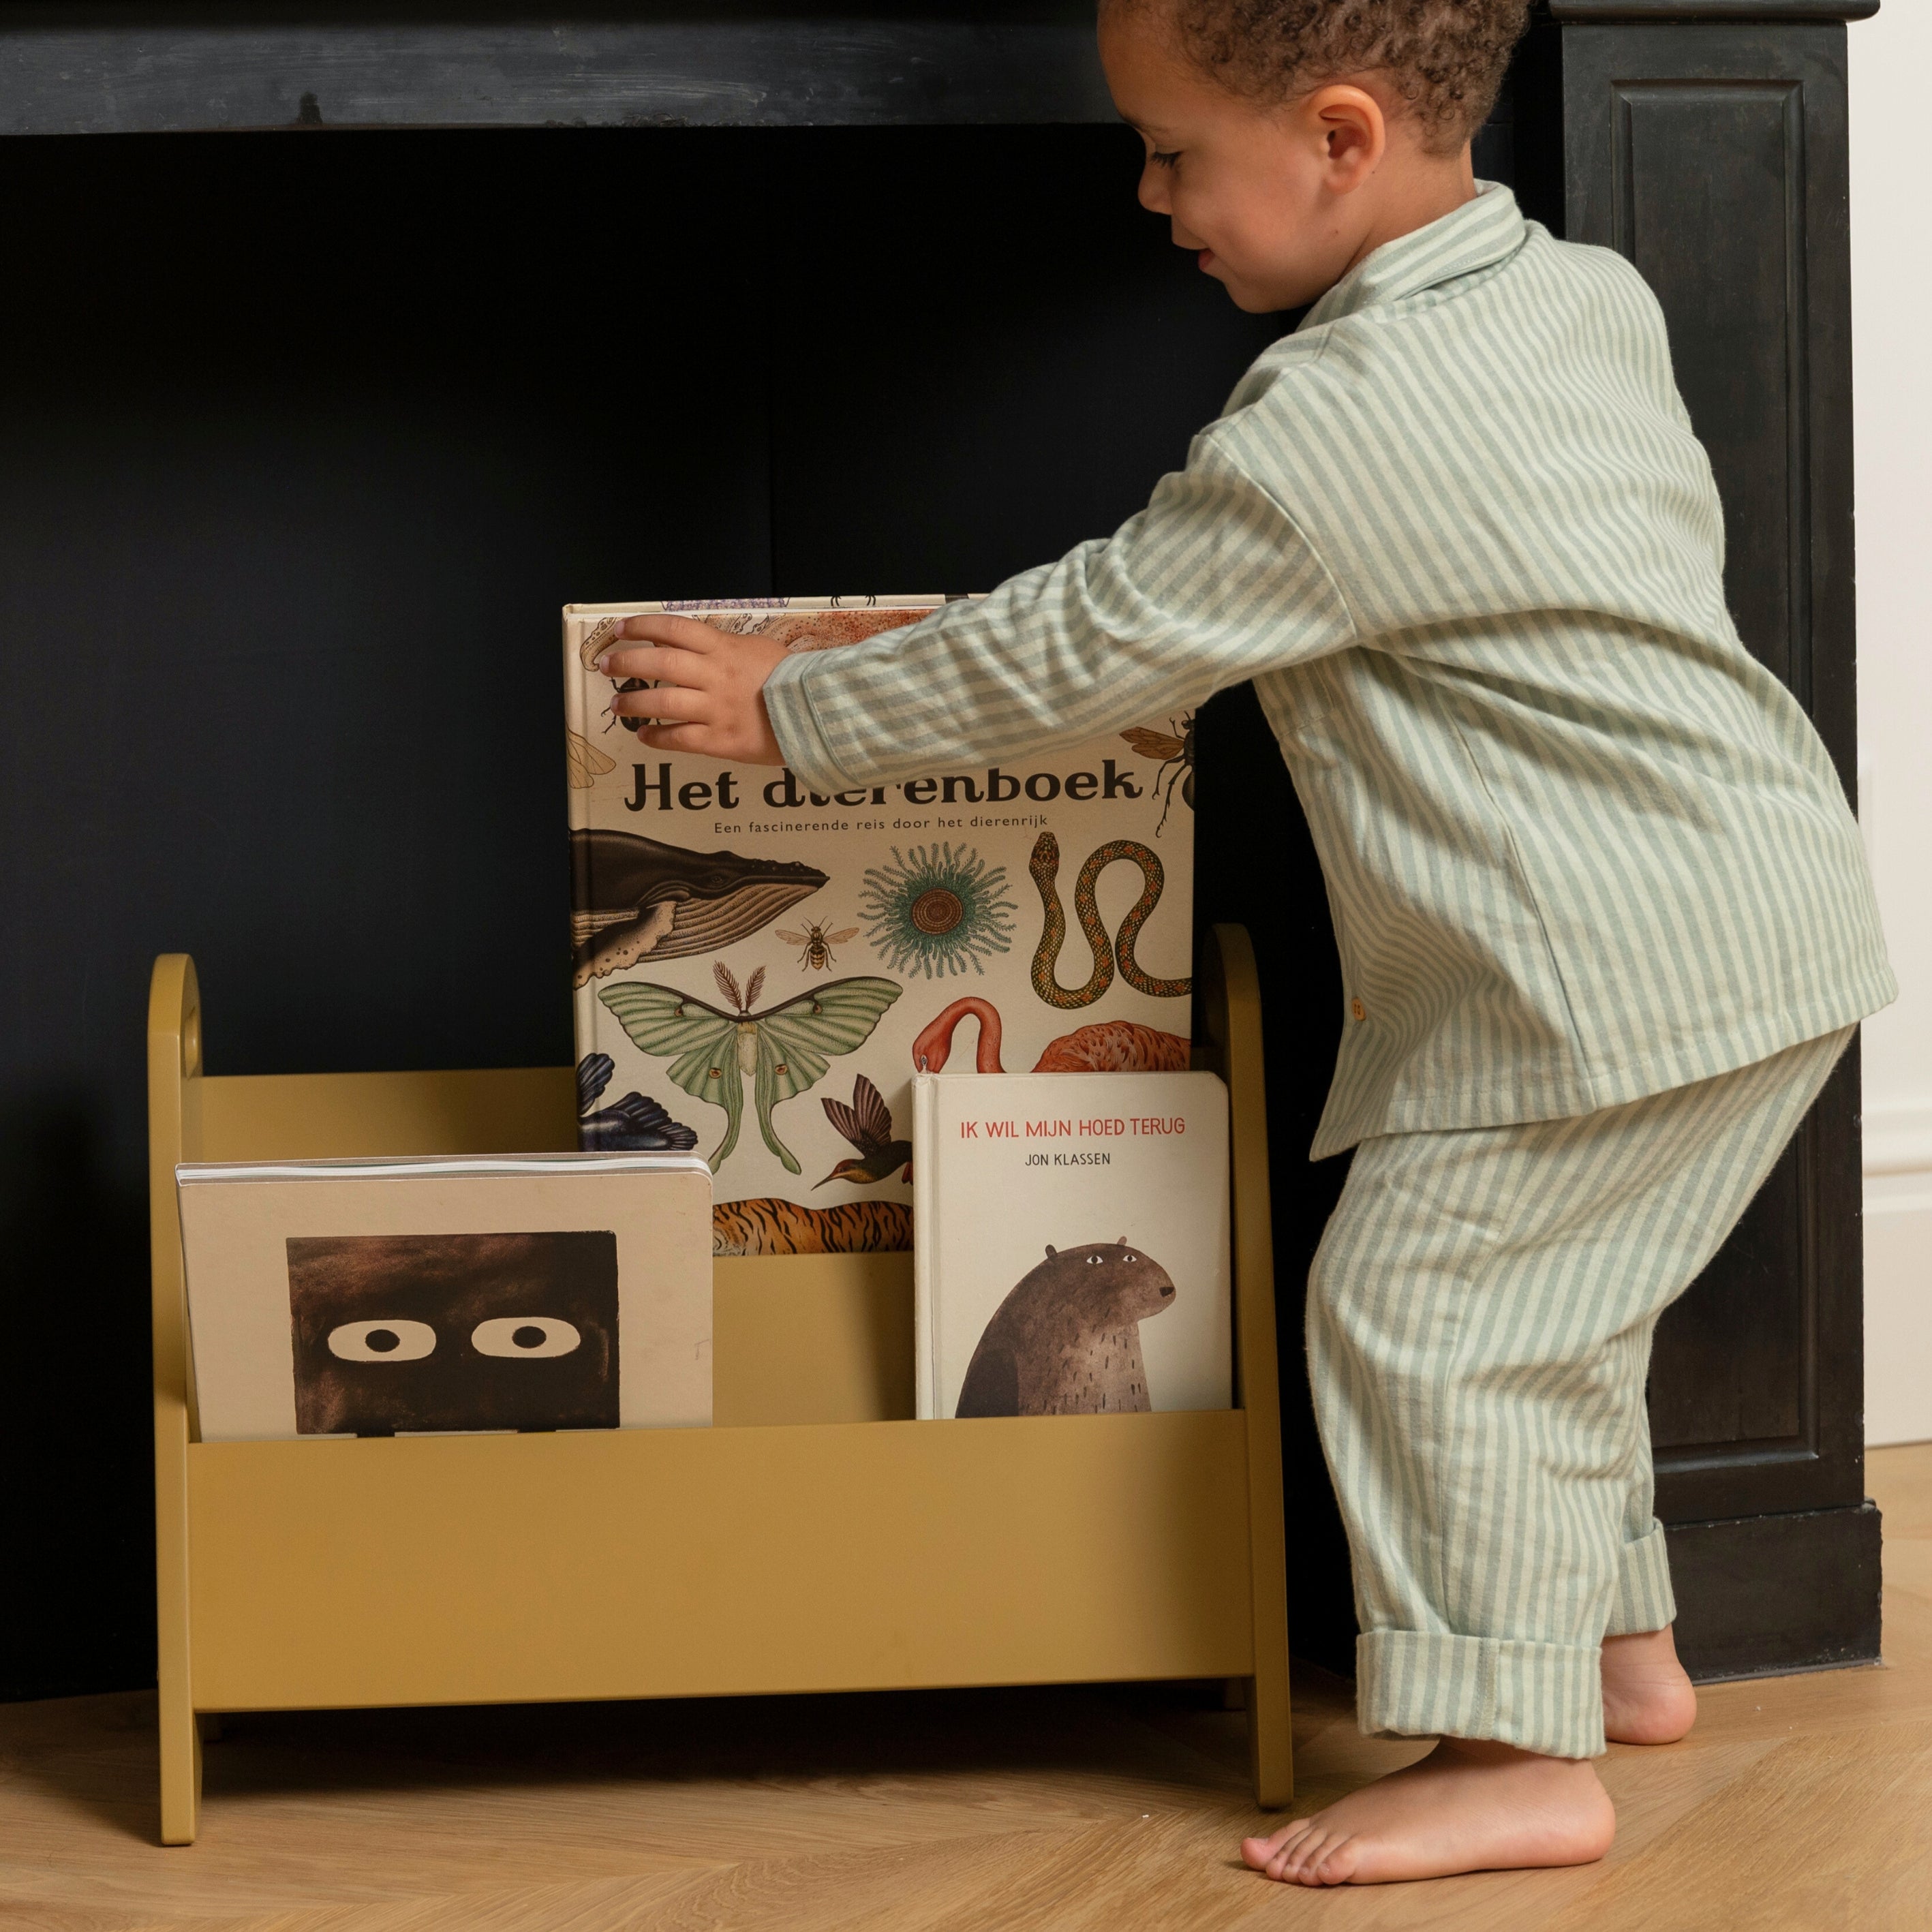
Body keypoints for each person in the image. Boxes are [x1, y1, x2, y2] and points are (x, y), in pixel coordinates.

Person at [595, 0, 1894, 1889]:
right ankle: (1609, 1652)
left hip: (1585, 966)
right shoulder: (1567, 292)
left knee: (1421, 1320)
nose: (1146, 194)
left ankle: (1510, 1753)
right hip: (1735, 915)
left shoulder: (1339, 423)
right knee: (1551, 1320)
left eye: (1173, 150)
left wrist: (792, 709)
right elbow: (1143, 611)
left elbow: (1094, 639)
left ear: (1340, 134)